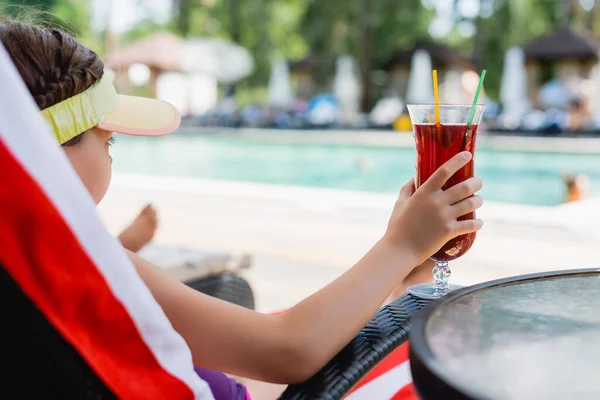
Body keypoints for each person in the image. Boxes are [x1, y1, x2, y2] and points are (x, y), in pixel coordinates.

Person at [0, 21, 483, 399]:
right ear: (45, 154)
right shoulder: (85, 264)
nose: (111, 155)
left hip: (224, 373)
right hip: (249, 381)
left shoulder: (24, 265)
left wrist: (398, 265)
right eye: (109, 141)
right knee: (432, 330)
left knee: (370, 305)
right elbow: (286, 351)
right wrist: (400, 245)